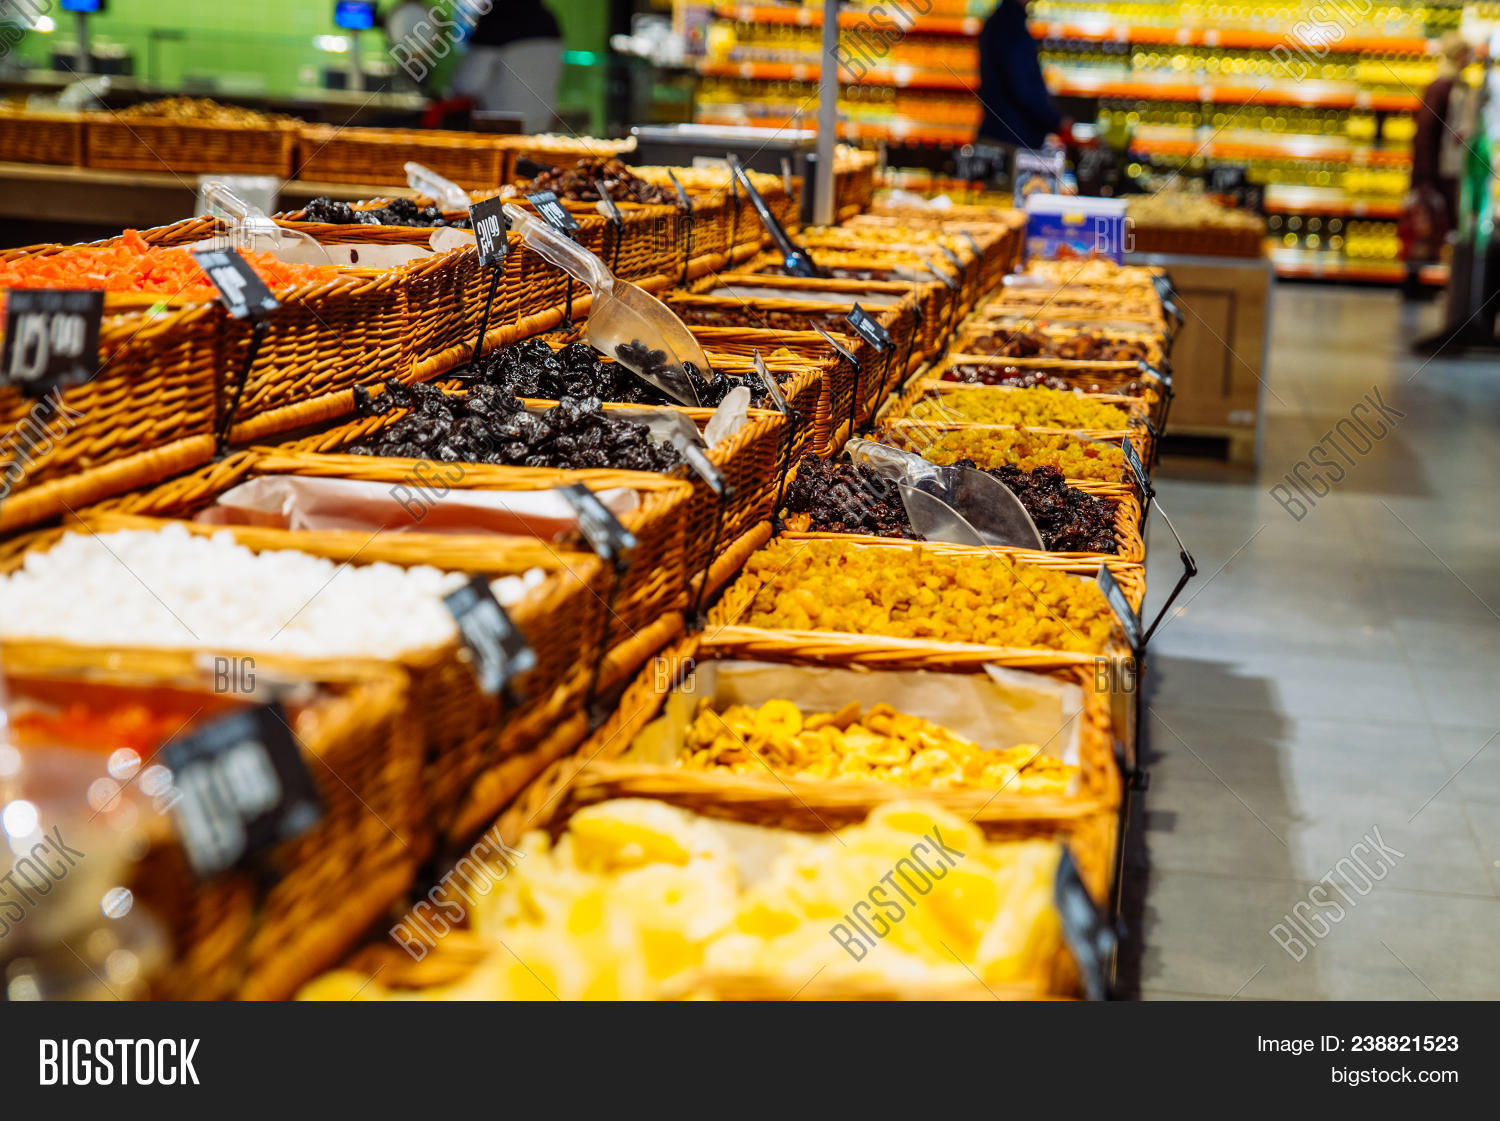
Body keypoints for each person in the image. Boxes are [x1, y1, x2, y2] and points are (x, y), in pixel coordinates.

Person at [1404, 33, 1476, 293]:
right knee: (1426, 225)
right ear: (1457, 55)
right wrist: (1425, 177)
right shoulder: (1441, 87)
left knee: (1438, 227)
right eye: (1467, 54)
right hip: (1438, 171)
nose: (1470, 59)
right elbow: (1426, 133)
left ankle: (1430, 280)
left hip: (1448, 168)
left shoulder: (1457, 85)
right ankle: (1414, 283)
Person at [452, 0, 564, 133]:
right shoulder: (550, 19)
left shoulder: (495, 20)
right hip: (542, 126)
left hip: (500, 129)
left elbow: (468, 84)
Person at [977, 0, 1062, 151]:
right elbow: (1024, 87)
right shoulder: (1011, 27)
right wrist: (1056, 121)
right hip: (1012, 139)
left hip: (999, 133)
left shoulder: (999, 21)